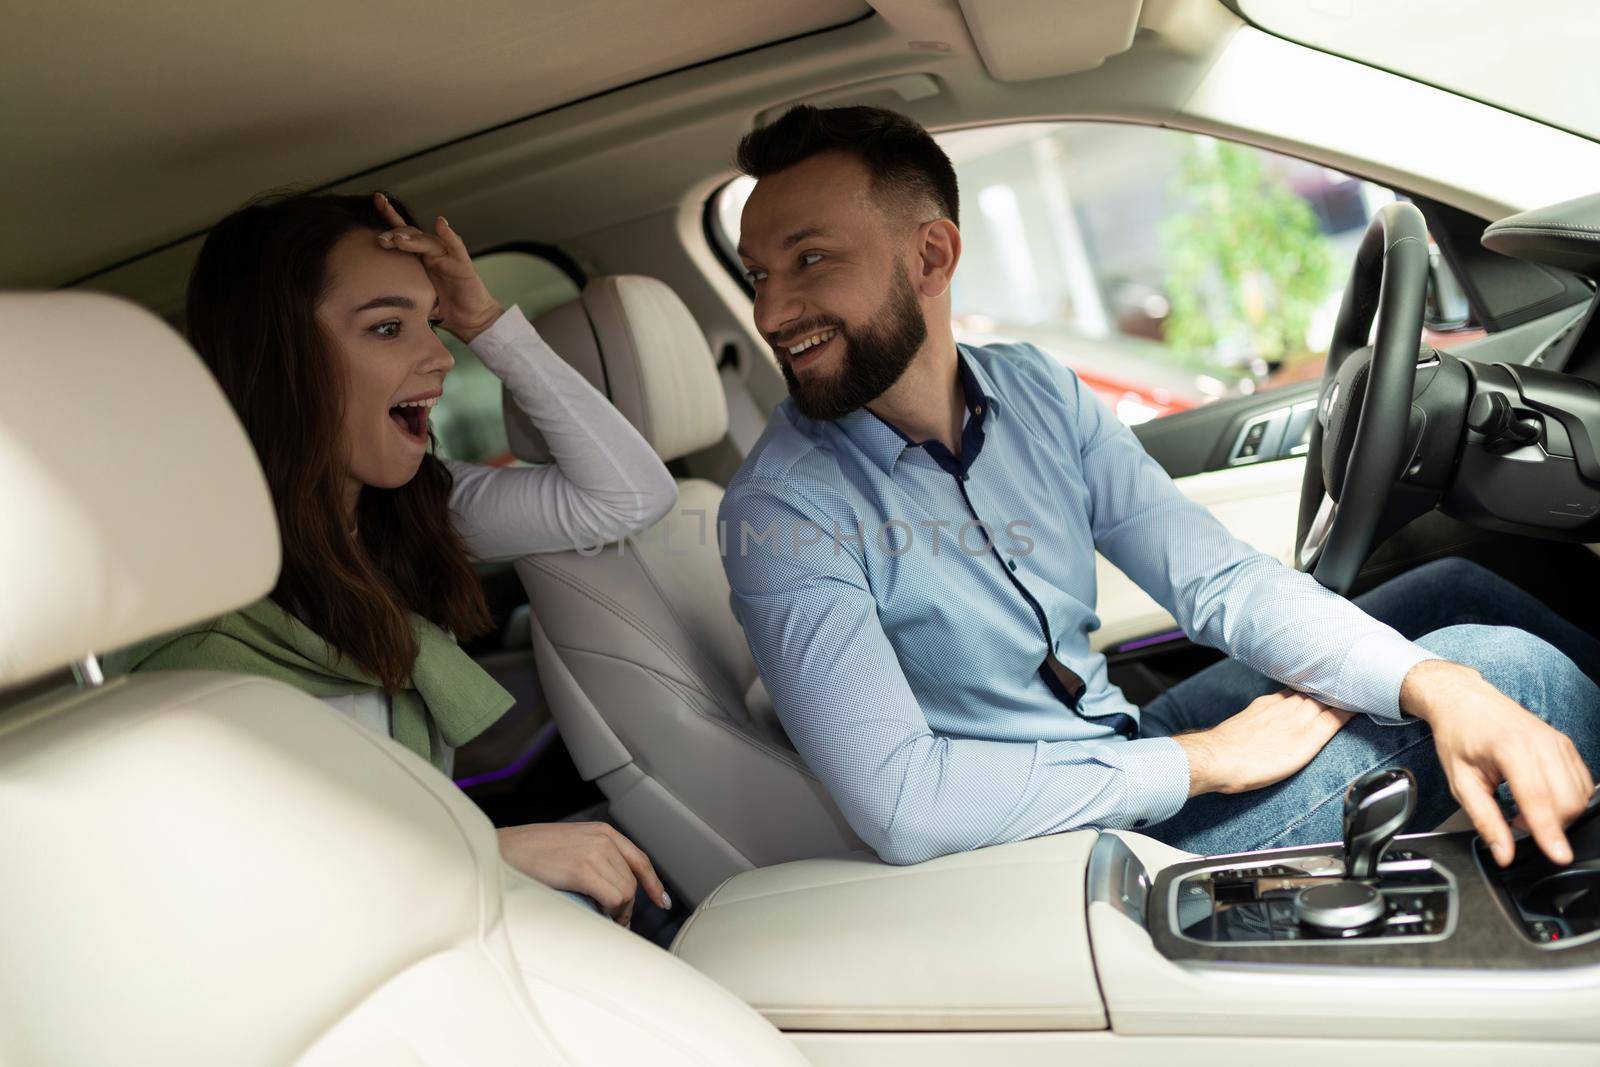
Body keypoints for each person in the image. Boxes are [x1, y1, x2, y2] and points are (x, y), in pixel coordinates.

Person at [718, 104, 1600, 871]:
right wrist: (1202, 760)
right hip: (1056, 852)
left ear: (932, 256)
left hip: (1115, 740)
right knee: (1513, 677)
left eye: (809, 261)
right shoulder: (782, 512)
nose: (769, 312)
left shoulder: (1032, 391)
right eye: (762, 274)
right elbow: (905, 801)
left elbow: (1215, 580)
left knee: (1462, 599)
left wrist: (1435, 685)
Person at [110, 190, 676, 927]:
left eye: (437, 322)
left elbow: (629, 495)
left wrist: (489, 323)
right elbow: (263, 889)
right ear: (279, 355)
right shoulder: (199, 634)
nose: (442, 355)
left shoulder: (408, 509)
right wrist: (486, 851)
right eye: (386, 327)